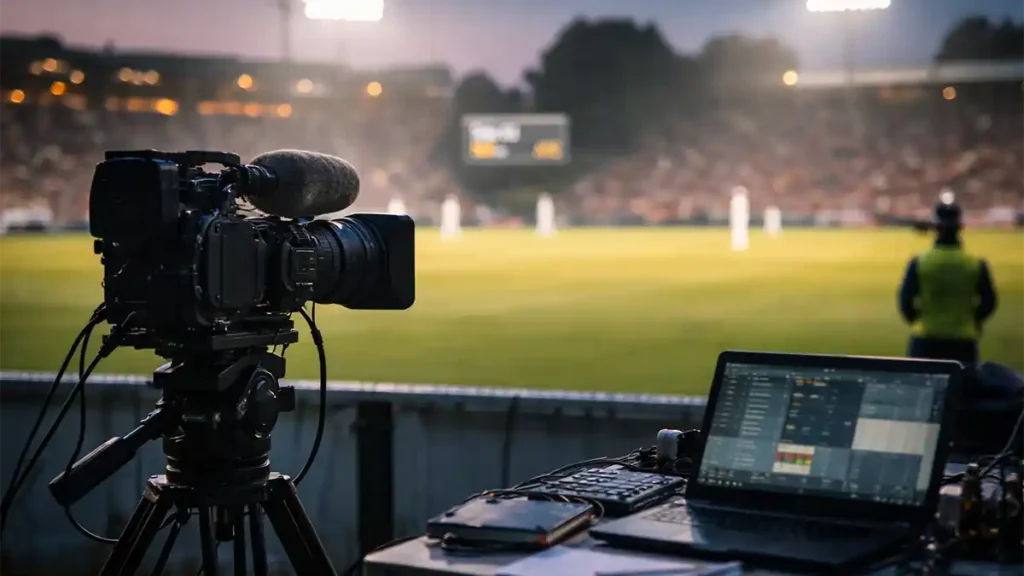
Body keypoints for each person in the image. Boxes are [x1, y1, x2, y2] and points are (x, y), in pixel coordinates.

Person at [897, 200, 997, 366]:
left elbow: (905, 302)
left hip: (925, 338)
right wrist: (972, 320)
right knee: (962, 390)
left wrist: (919, 319)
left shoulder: (920, 262)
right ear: (960, 228)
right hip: (963, 340)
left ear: (935, 228)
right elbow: (989, 302)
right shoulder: (975, 264)